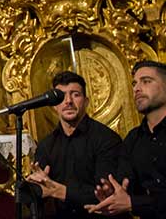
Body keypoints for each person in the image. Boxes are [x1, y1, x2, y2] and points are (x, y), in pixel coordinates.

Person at [26, 71, 123, 218]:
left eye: (75, 94)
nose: (68, 101)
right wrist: (34, 187)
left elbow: (106, 195)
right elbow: (40, 193)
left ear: (86, 101)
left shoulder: (107, 139)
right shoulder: (46, 145)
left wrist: (59, 191)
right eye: (61, 96)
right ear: (54, 106)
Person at [85, 60, 166, 218]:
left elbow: (133, 201)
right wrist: (111, 196)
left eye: (146, 81)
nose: (137, 88)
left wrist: (133, 203)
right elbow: (125, 187)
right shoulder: (133, 139)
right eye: (134, 83)